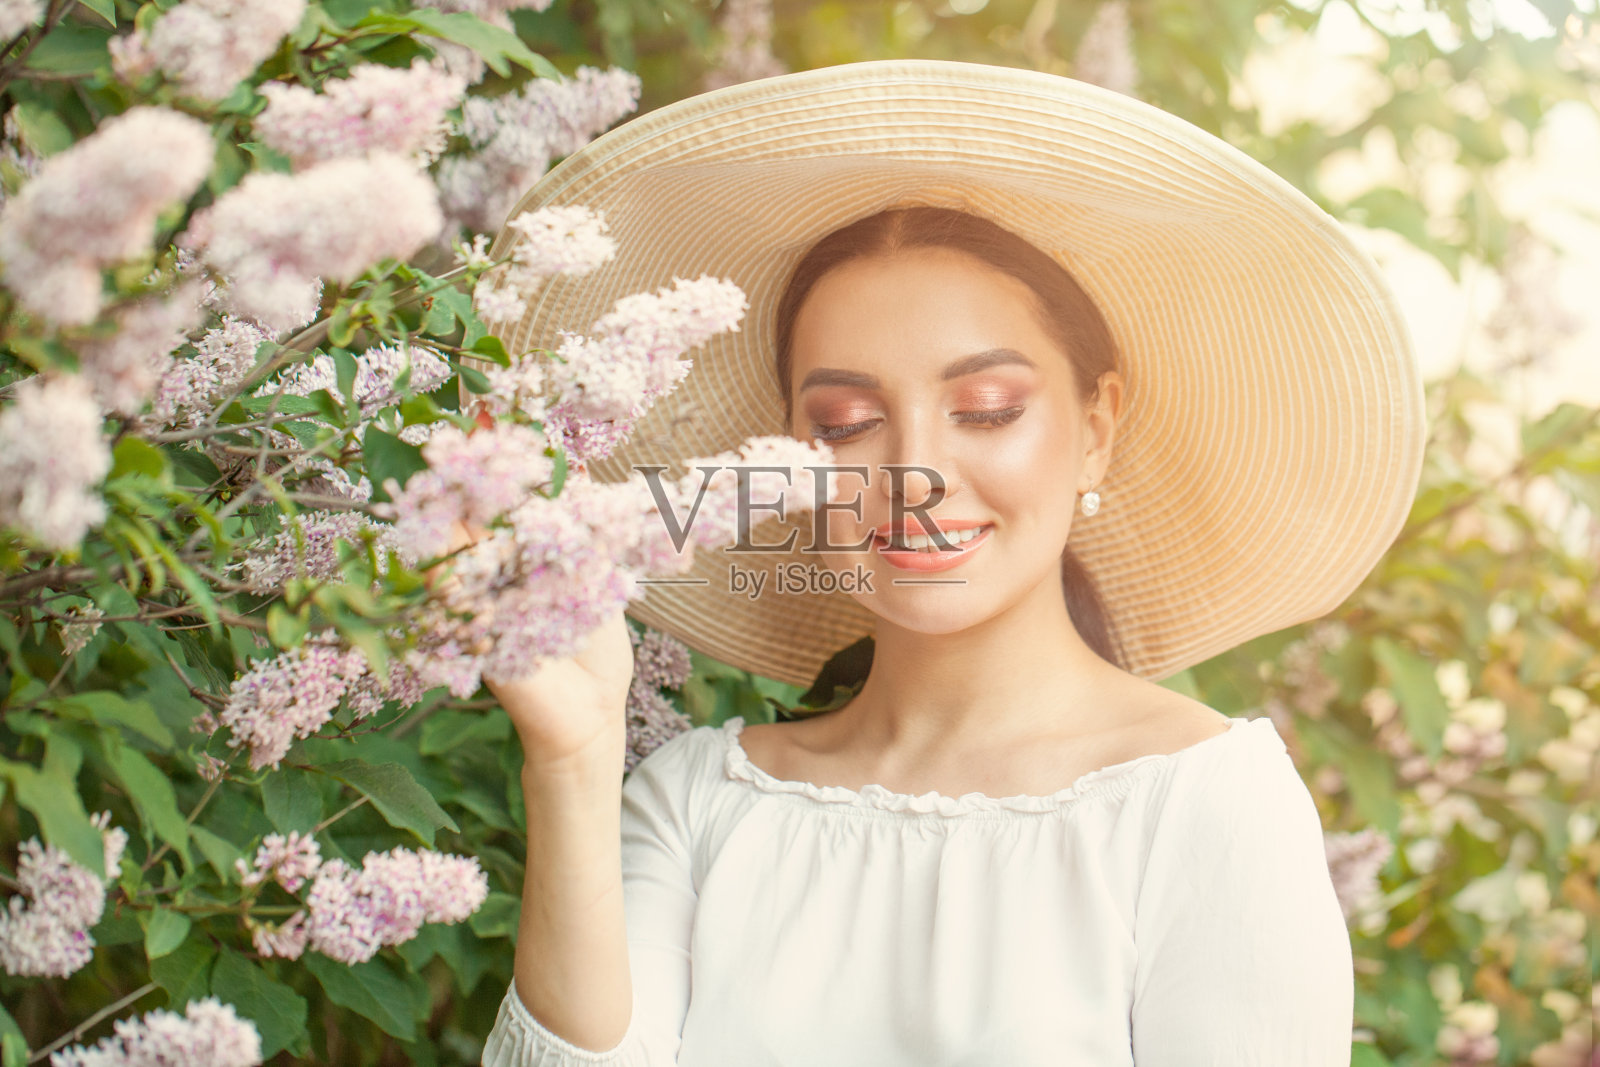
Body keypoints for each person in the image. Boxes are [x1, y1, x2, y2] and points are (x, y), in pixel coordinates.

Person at [473, 60, 1426, 1066]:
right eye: (843, 423)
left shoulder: (1199, 802)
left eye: (986, 409)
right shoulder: (698, 801)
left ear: (1096, 427)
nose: (912, 473)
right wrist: (573, 762)